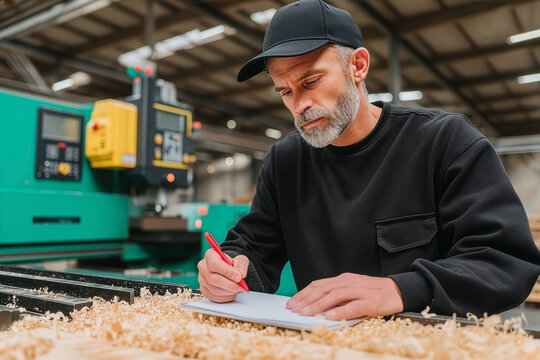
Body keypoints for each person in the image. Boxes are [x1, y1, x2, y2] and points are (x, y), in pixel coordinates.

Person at [197, 0, 540, 320]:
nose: (299, 104)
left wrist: (399, 288)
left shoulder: (444, 141)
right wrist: (228, 271)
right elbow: (253, 248)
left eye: (311, 81)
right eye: (286, 91)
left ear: (357, 66)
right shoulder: (285, 161)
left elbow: (506, 264)